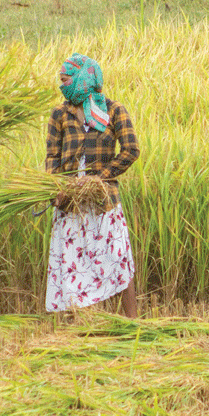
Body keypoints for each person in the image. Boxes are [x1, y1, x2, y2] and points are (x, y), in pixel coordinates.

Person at [45, 53, 139, 317]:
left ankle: (132, 322)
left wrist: (100, 178)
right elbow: (52, 156)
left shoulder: (112, 110)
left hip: (103, 201)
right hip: (70, 203)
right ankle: (78, 323)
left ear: (84, 79)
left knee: (116, 258)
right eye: (61, 81)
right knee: (73, 262)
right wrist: (57, 189)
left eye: (66, 80)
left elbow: (131, 149)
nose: (62, 85)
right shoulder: (59, 114)